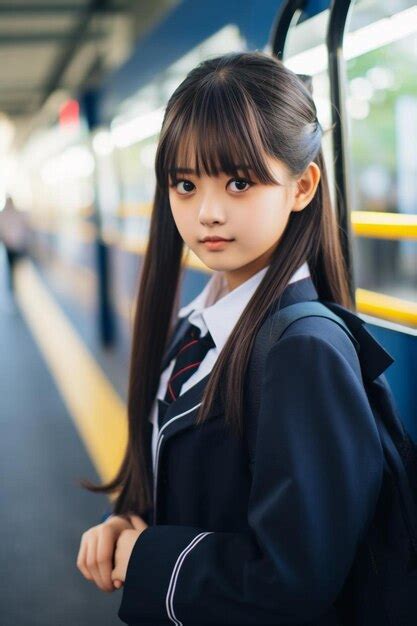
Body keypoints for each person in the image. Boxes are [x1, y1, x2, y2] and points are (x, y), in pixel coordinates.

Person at [76, 51, 386, 625]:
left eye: (239, 182)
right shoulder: (198, 324)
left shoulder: (303, 349)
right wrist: (131, 520)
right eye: (186, 184)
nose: (207, 213)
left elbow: (292, 583)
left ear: (302, 186)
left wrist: (148, 558)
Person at [0, 194, 30, 297]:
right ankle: (14, 286)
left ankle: (15, 285)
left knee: (16, 265)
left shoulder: (6, 214)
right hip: (14, 245)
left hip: (14, 245)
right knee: (14, 265)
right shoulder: (9, 214)